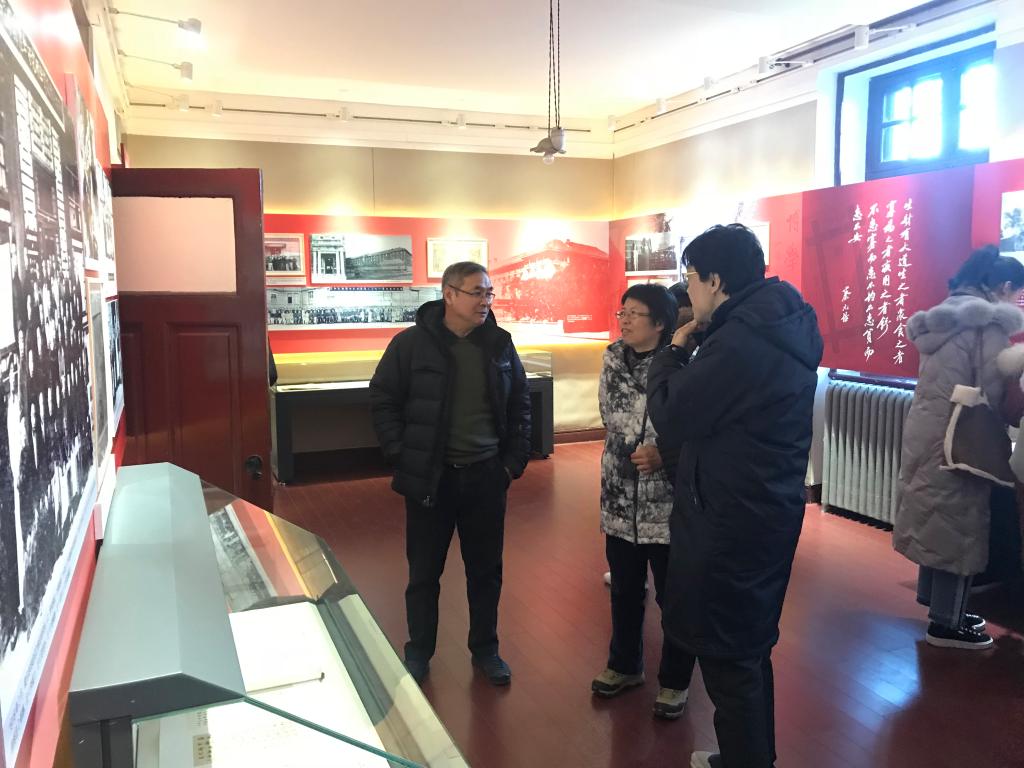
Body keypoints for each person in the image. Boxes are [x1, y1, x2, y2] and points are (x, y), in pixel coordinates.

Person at [646, 224, 823, 768]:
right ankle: (749, 757)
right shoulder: (779, 322)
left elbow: (672, 412)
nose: (688, 291)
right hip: (759, 505)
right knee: (747, 648)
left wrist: (672, 351)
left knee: (729, 659)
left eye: (691, 279)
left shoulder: (742, 341)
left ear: (715, 280)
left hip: (731, 515)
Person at [368, 262, 531, 686]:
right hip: (431, 480)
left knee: (485, 572)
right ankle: (418, 652)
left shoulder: (498, 344)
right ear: (449, 295)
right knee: (423, 574)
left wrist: (512, 463)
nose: (485, 301)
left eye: (489, 293)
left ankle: (486, 650)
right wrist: (401, 453)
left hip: (486, 477)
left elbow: (520, 403)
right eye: (477, 292)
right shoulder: (410, 345)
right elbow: (383, 398)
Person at [894, 245, 1024, 650]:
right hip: (962, 437)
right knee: (959, 523)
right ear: (1003, 287)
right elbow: (994, 391)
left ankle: (935, 602)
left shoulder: (944, 317)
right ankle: (946, 624)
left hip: (929, 429)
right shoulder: (987, 325)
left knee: (936, 514)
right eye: (1018, 293)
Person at [592, 284, 695, 720]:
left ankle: (675, 681)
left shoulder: (682, 364)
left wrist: (662, 451)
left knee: (675, 598)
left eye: (635, 313)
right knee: (624, 590)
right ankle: (624, 666)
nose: (625, 320)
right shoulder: (613, 359)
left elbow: (692, 425)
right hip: (620, 494)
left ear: (660, 323)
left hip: (667, 500)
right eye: (623, 312)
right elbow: (610, 415)